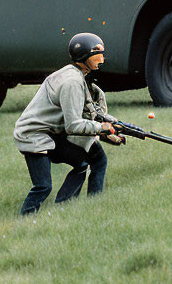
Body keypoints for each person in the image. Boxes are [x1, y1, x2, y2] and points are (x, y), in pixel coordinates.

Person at [14, 33, 124, 216]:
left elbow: (90, 112)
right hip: (33, 135)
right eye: (97, 54)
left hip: (51, 134)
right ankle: (24, 220)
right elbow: (73, 126)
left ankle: (66, 210)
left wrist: (109, 128)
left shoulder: (78, 75)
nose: (102, 59)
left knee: (82, 163)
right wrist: (101, 129)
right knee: (43, 186)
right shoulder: (72, 82)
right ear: (84, 56)